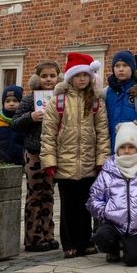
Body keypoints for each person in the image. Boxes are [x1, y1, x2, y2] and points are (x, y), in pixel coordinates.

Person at [40, 52, 109, 258]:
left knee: (86, 205)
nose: (81, 79)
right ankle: (69, 243)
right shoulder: (58, 102)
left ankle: (86, 240)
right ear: (71, 77)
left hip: (88, 162)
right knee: (69, 206)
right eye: (78, 75)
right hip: (65, 162)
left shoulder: (96, 102)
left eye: (85, 75)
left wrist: (101, 160)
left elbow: (102, 133)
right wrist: (50, 161)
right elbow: (48, 133)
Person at [87, 122, 137, 266]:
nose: (126, 151)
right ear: (117, 149)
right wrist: (104, 212)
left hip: (135, 226)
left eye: (131, 147)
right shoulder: (108, 173)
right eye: (122, 147)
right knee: (102, 236)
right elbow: (94, 199)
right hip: (113, 223)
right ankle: (112, 248)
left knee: (134, 260)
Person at [12, 61, 62, 252]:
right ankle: (33, 238)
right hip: (34, 152)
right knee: (34, 195)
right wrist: (30, 117)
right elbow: (15, 122)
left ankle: (48, 234)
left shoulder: (60, 98)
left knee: (48, 194)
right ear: (37, 78)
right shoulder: (29, 99)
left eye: (52, 76)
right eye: (44, 76)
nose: (48, 80)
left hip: (52, 153)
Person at [104, 50, 137, 157]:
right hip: (113, 152)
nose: (121, 69)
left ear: (132, 68)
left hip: (135, 152)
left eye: (125, 65)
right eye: (117, 66)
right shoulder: (107, 93)